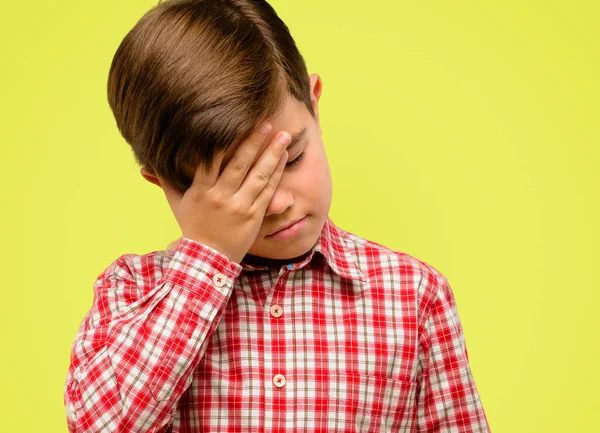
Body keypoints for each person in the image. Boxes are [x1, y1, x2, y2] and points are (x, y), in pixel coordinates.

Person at [63, 0, 491, 431]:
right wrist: (209, 252)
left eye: (291, 159)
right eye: (237, 186)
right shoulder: (130, 293)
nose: (277, 202)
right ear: (166, 185)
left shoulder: (414, 296)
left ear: (315, 104)